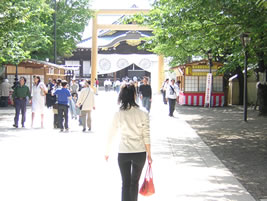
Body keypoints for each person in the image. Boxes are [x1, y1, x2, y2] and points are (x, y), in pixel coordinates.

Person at [105, 84, 152, 201]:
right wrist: (149, 154)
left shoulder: (118, 113)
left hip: (124, 151)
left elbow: (111, 133)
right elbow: (146, 135)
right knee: (134, 182)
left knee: (125, 183)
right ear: (134, 95)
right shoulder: (143, 112)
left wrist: (107, 151)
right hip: (140, 152)